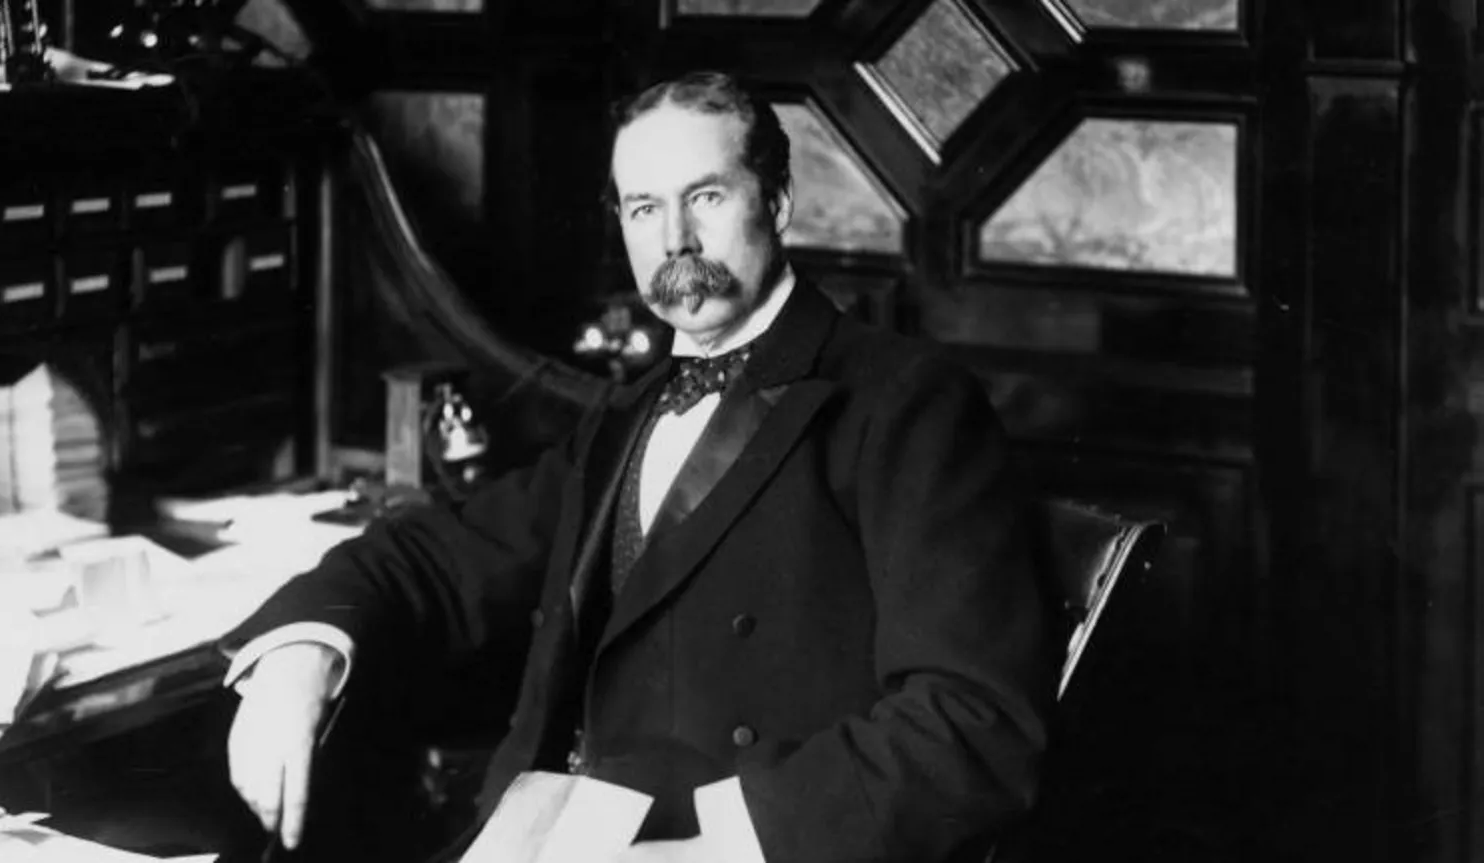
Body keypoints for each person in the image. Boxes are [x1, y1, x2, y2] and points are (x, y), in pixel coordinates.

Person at [221, 70, 1060, 863]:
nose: (675, 238)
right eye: (643, 207)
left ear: (777, 200)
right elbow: (444, 554)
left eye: (705, 196)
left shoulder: (904, 401)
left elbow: (973, 723)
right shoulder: (625, 414)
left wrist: (711, 850)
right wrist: (304, 652)